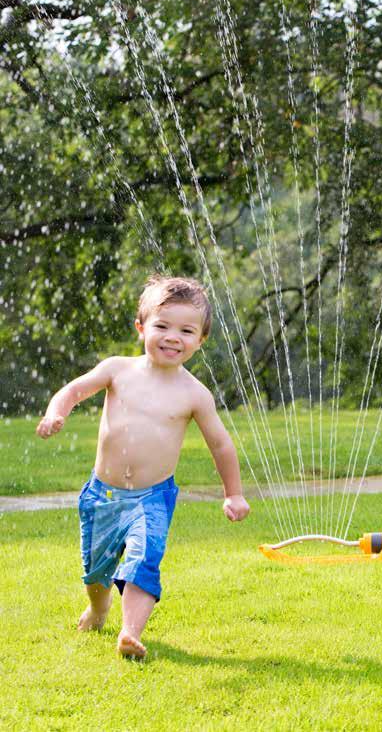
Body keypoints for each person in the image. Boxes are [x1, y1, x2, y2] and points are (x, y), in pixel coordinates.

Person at [36, 275, 250, 659]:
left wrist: (233, 493)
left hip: (152, 497)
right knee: (96, 569)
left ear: (200, 341)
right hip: (102, 494)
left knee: (143, 559)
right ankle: (99, 609)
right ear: (141, 328)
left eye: (186, 330)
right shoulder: (118, 370)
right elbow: (73, 390)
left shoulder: (195, 394)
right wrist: (56, 414)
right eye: (162, 326)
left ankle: (131, 633)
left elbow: (220, 444)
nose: (173, 337)